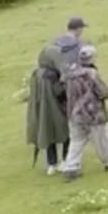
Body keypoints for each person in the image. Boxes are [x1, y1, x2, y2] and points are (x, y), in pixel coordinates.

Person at [61, 44, 108, 178]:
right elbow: (102, 92)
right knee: (101, 139)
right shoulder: (91, 73)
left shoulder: (69, 74)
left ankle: (71, 167)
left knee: (76, 140)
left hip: (74, 113)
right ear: (92, 58)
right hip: (93, 114)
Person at [25, 27, 77, 175]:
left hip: (41, 113)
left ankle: (51, 164)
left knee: (47, 135)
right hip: (56, 110)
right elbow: (59, 92)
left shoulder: (36, 74)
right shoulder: (52, 76)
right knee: (66, 132)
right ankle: (65, 160)